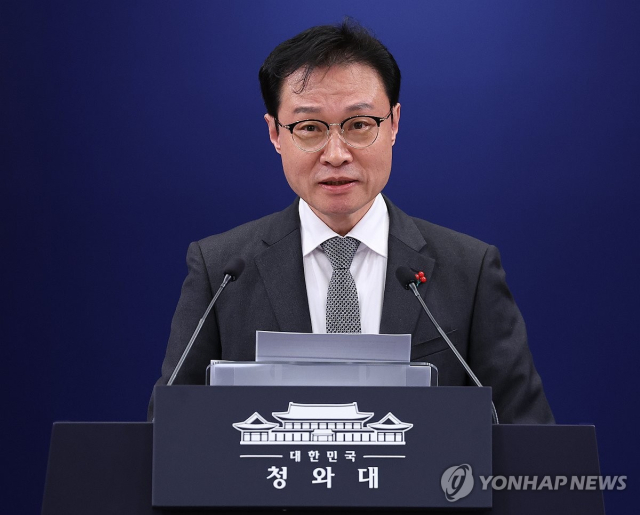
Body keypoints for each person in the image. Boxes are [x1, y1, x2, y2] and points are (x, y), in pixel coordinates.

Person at [149, 20, 554, 424]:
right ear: (275, 133)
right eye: (309, 128)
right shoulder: (221, 272)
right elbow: (168, 436)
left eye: (359, 125)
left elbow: (527, 435)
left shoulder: (469, 270)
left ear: (394, 124)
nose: (336, 154)